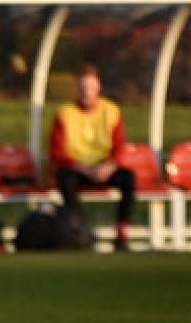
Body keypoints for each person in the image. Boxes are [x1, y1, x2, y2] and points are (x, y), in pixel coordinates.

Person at [48, 64, 135, 251]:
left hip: (104, 168)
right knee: (64, 178)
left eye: (90, 87)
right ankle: (81, 231)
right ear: (76, 89)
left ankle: (121, 235)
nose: (87, 92)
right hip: (78, 169)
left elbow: (120, 146)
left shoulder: (112, 111)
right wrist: (83, 168)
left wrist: (109, 166)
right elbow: (57, 152)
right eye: (82, 88)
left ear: (98, 87)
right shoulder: (64, 113)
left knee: (128, 178)